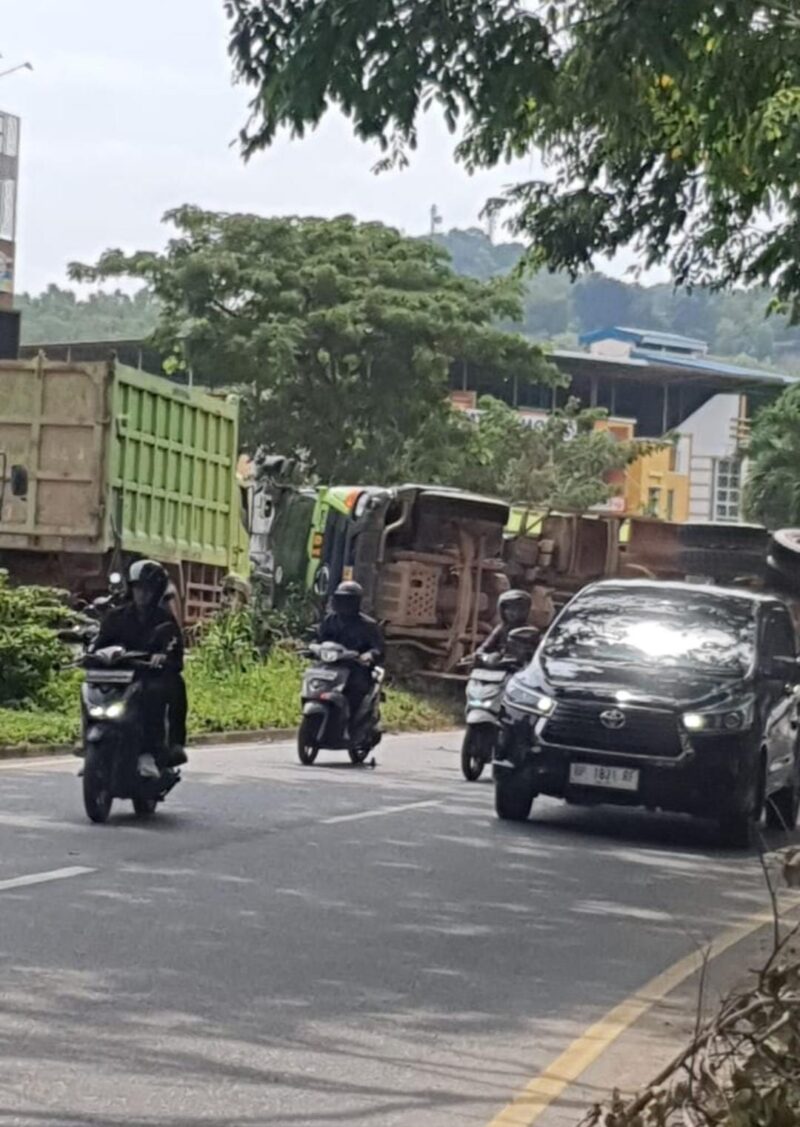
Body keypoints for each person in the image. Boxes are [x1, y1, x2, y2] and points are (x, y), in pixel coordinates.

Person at [94, 560, 185, 779]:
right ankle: (92, 750)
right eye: (138, 588)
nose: (142, 594)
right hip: (118, 677)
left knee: (163, 690)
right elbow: (99, 645)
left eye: (148, 589)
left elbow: (175, 652)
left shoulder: (165, 621)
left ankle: (154, 750)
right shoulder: (115, 617)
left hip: (149, 677)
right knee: (92, 690)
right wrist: (98, 654)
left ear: (156, 591)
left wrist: (162, 657)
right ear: (131, 589)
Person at [317, 581, 384, 733]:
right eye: (341, 599)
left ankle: (353, 726)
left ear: (356, 602)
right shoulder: (330, 621)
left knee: (355, 690)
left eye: (349, 600)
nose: (344, 603)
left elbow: (378, 648)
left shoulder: (368, 625)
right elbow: (318, 639)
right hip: (330, 666)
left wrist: (369, 655)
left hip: (356, 669)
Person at [478, 589, 534, 657]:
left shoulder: (530, 632)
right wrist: (481, 656)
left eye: (516, 608)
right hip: (501, 665)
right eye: (507, 608)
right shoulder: (501, 628)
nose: (510, 612)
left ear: (525, 610)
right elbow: (485, 647)